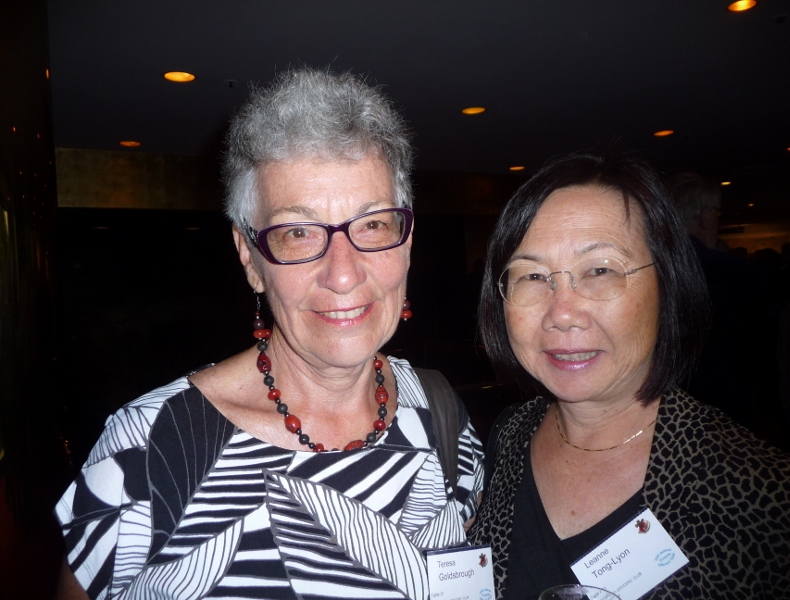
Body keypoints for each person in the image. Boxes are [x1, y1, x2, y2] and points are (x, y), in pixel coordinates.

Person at [55, 68, 484, 600]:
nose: (343, 274)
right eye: (298, 232)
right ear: (250, 258)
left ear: (407, 241)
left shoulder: (442, 417)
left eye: (373, 223)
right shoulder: (148, 449)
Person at [467, 154, 790, 598]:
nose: (561, 313)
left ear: (667, 284)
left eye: (600, 270)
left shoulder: (769, 499)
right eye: (533, 276)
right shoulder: (509, 436)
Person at [668, 172, 770, 429]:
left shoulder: (652, 270)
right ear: (706, 215)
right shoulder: (739, 272)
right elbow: (757, 347)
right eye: (717, 212)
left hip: (666, 407)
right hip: (725, 406)